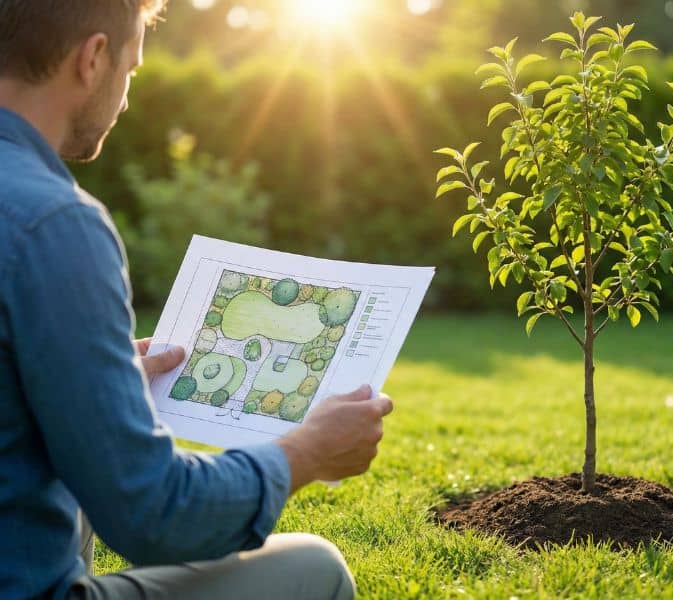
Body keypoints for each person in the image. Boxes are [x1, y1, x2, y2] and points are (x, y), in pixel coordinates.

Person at [0, 1, 394, 598]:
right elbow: (155, 512)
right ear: (93, 58)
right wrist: (306, 452)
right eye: (130, 69)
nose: (127, 99)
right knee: (316, 568)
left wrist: (93, 379)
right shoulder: (56, 224)